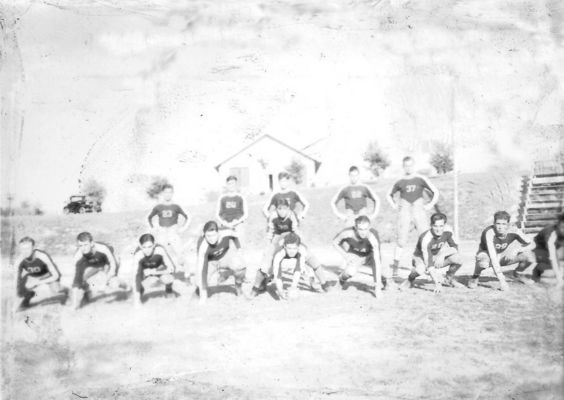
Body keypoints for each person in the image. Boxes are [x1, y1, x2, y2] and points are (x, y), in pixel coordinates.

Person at [387, 156, 439, 277]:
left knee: (425, 239)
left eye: (410, 165)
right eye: (406, 166)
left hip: (418, 210)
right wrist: (395, 206)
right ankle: (395, 267)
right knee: (401, 241)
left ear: (414, 165)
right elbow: (389, 195)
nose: (408, 168)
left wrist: (429, 205)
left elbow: (435, 191)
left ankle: (427, 265)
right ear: (403, 166)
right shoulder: (400, 180)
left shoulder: (420, 178)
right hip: (405, 211)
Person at [469, 211, 535, 291]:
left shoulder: (513, 230)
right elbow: (493, 256)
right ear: (494, 223)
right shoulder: (489, 232)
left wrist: (516, 250)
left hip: (501, 255)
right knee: (483, 260)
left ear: (508, 224)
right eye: (498, 223)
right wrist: (502, 281)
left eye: (504, 224)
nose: (500, 227)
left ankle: (518, 274)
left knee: (530, 256)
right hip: (488, 256)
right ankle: (475, 277)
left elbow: (530, 243)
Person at [251, 233, 330, 298]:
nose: (292, 252)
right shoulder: (278, 252)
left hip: (294, 246)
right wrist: (281, 291)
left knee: (315, 262)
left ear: (298, 247)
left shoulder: (302, 250)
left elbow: (298, 270)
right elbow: (277, 274)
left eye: (294, 248)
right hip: (275, 246)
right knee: (265, 268)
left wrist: (293, 287)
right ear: (285, 246)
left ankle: (325, 285)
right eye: (289, 248)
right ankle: (255, 288)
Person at [400, 213, 464, 293]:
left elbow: (455, 248)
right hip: (420, 258)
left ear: (445, 225)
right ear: (431, 225)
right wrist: (437, 283)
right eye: (435, 226)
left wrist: (442, 255)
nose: (438, 229)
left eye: (441, 226)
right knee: (420, 270)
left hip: (435, 256)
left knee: (458, 258)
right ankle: (410, 279)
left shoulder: (448, 231)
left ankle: (449, 279)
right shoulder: (426, 238)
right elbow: (429, 264)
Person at [332, 215, 388, 298]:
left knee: (384, 272)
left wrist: (377, 288)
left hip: (370, 255)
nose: (363, 232)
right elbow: (334, 242)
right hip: (355, 254)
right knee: (350, 272)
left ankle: (385, 283)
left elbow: (377, 261)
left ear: (369, 228)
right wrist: (345, 255)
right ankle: (341, 281)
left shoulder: (373, 236)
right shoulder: (348, 232)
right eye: (360, 229)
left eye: (366, 229)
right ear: (355, 228)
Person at [71, 232, 129, 309]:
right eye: (81, 246)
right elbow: (76, 280)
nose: (83, 248)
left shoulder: (103, 249)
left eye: (85, 245)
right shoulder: (78, 256)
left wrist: (106, 280)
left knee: (113, 283)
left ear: (91, 243)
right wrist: (74, 305)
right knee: (81, 278)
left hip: (110, 260)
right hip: (95, 263)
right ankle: (87, 293)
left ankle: (127, 287)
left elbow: (112, 263)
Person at [195, 221, 247, 304]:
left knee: (240, 265)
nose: (211, 238)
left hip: (225, 255)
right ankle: (202, 289)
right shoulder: (202, 245)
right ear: (204, 235)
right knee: (199, 281)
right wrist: (203, 296)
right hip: (210, 262)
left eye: (213, 235)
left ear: (218, 232)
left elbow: (235, 236)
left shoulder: (226, 231)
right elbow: (203, 269)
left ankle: (239, 289)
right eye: (208, 236)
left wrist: (239, 248)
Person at [14, 237, 68, 311]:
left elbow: (56, 275)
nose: (25, 252)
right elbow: (16, 280)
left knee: (56, 290)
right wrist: (17, 296)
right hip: (34, 276)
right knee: (20, 291)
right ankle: (27, 298)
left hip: (48, 274)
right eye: (23, 249)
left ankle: (66, 290)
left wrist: (39, 282)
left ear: (33, 248)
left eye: (27, 249)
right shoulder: (19, 260)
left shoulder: (42, 256)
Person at [132, 233, 182, 305]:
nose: (147, 250)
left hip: (159, 270)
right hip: (144, 274)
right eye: (144, 247)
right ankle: (141, 290)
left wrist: (154, 272)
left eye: (150, 246)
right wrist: (136, 300)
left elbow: (172, 268)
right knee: (145, 284)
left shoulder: (160, 250)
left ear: (154, 245)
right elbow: (135, 276)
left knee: (168, 278)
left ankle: (169, 290)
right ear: (140, 246)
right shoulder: (138, 254)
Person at [147, 184, 190, 264]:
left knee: (179, 252)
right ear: (163, 193)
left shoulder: (176, 206)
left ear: (173, 193)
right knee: (160, 252)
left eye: (170, 192)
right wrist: (153, 228)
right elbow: (149, 217)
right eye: (166, 192)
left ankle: (185, 272)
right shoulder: (158, 206)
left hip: (173, 231)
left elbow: (187, 217)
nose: (168, 194)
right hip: (162, 232)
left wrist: (183, 228)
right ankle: (165, 271)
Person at [525, 213, 564, 287]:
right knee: (553, 260)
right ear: (558, 225)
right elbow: (553, 257)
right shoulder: (551, 233)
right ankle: (538, 270)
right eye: (562, 227)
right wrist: (559, 280)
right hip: (538, 249)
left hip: (554, 248)